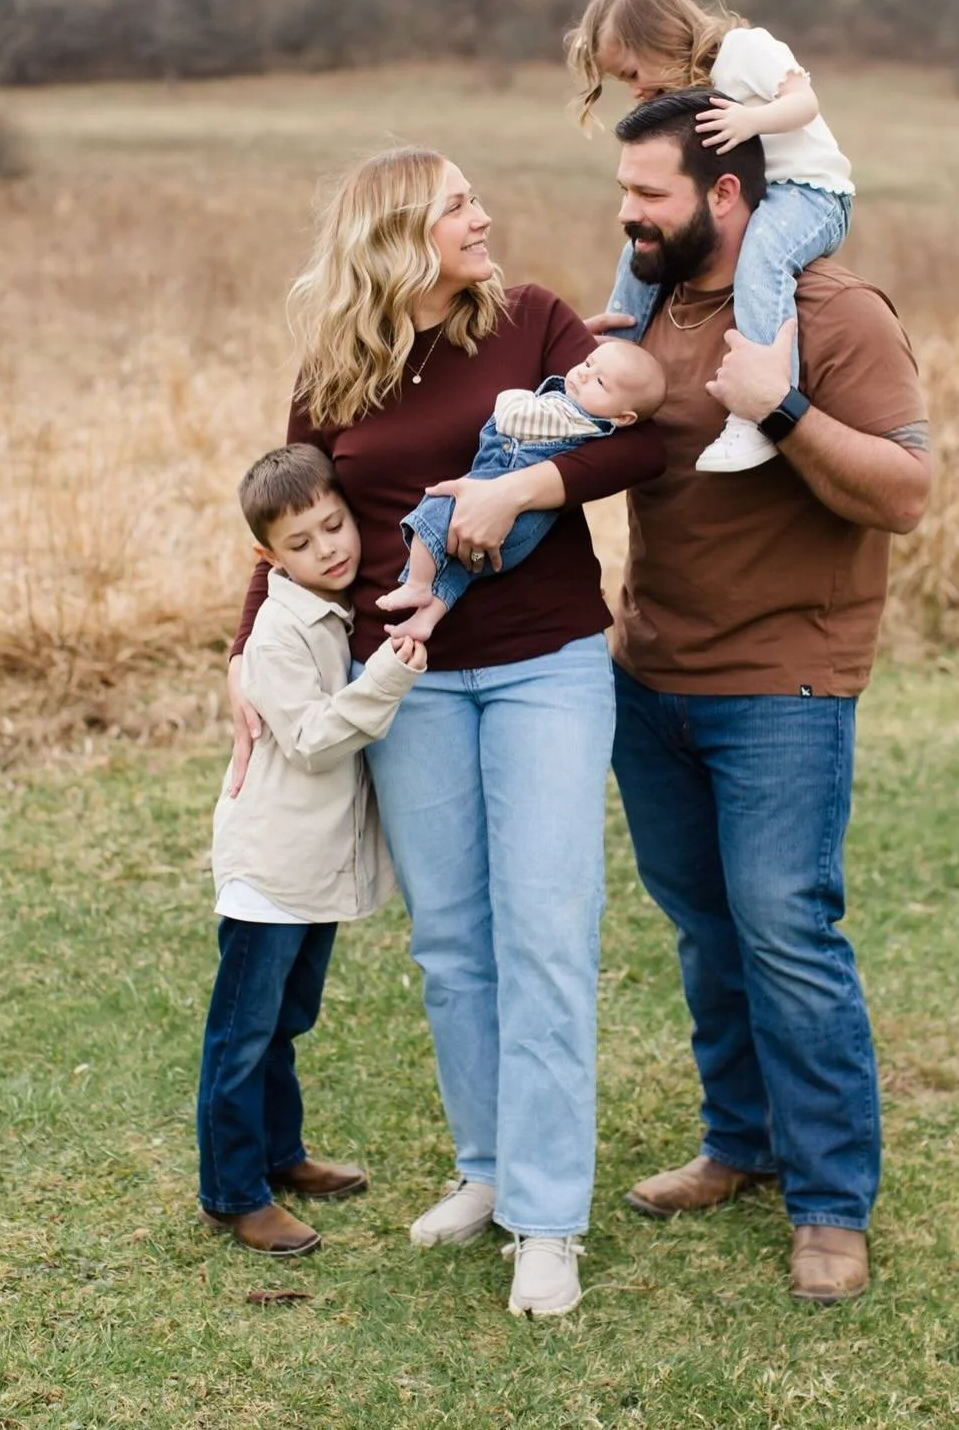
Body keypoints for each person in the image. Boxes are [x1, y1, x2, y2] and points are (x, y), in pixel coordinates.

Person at [226, 147, 665, 1317]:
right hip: (401, 681)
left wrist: (519, 492)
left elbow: (639, 438)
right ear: (399, 235)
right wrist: (241, 655)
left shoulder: (531, 321)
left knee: (547, 934)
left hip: (547, 668)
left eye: (476, 198)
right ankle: (488, 1166)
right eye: (457, 204)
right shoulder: (336, 367)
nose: (484, 216)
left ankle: (548, 1217)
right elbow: (283, 519)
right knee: (454, 941)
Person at [597, 89, 930, 1304]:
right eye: (624, 190)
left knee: (788, 932)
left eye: (650, 195)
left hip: (785, 683)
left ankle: (832, 1204)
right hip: (651, 679)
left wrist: (780, 407)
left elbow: (903, 490)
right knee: (705, 927)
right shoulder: (651, 309)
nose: (626, 214)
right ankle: (738, 1142)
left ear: (728, 194)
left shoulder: (832, 312)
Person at [198, 443, 426, 1257]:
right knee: (242, 1032)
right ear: (268, 559)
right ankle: (232, 1193)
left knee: (286, 1020)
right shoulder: (278, 633)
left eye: (335, 526)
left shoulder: (333, 609)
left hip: (312, 864)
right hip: (272, 869)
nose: (329, 548)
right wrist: (390, 677)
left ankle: (278, 1153)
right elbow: (314, 739)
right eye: (301, 543)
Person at [568, 0, 854, 474]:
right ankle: (612, 363)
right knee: (644, 240)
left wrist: (751, 121)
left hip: (811, 193)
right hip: (757, 195)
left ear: (658, 38)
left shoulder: (746, 49)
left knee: (763, 257)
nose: (635, 90)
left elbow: (804, 102)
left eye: (632, 74)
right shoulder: (690, 88)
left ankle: (760, 406)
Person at [376, 339, 666, 642]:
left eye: (600, 381)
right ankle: (426, 618)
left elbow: (513, 417)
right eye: (588, 363)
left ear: (622, 418)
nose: (582, 374)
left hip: (508, 518)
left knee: (433, 509)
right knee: (462, 570)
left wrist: (511, 394)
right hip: (522, 535)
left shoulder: (569, 417)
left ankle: (417, 583)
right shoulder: (593, 424)